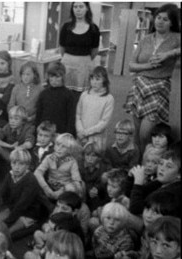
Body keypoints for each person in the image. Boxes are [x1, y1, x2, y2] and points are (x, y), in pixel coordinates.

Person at [125, 3, 180, 153]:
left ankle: (149, 159)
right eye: (158, 17)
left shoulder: (176, 38)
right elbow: (131, 65)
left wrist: (170, 54)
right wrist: (149, 66)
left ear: (172, 23)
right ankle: (139, 162)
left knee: (145, 133)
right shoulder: (146, 39)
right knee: (137, 131)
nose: (160, 21)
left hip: (159, 86)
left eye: (165, 19)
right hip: (140, 84)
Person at [59, 2, 100, 105]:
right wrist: (70, 59)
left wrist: (82, 60)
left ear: (87, 8)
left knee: (81, 96)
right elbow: (62, 48)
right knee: (64, 94)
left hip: (84, 66)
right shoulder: (66, 27)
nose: (78, 9)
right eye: (75, 7)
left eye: (81, 6)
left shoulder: (94, 28)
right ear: (72, 9)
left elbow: (94, 51)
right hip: (67, 65)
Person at [0, 106, 35, 188]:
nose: (12, 121)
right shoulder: (8, 126)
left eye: (16, 119)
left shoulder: (29, 128)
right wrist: (9, 145)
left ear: (23, 120)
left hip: (22, 156)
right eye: (11, 118)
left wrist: (19, 147)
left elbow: (29, 143)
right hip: (10, 154)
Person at [0, 149, 41, 234]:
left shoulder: (31, 180)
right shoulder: (10, 174)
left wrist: (7, 223)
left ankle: (32, 225)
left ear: (27, 166)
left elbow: (22, 205)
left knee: (3, 233)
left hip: (28, 213)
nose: (17, 167)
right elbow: (1, 194)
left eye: (21, 164)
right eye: (14, 163)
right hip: (13, 208)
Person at [129, 148, 181, 217]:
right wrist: (130, 177)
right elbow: (131, 194)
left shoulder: (173, 192)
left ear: (179, 175)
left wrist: (138, 183)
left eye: (169, 166)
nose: (162, 168)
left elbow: (135, 209)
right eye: (161, 163)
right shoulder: (160, 182)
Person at [34, 133, 83, 201]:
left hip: (64, 190)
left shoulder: (72, 162)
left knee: (74, 187)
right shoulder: (49, 157)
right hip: (49, 187)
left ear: (69, 150)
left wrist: (62, 191)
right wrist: (46, 189)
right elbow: (38, 172)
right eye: (57, 145)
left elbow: (77, 181)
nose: (59, 148)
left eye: (63, 146)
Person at [76, 66, 114, 151]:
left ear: (104, 80)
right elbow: (78, 115)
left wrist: (86, 133)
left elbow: (104, 122)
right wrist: (81, 131)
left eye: (97, 79)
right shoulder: (84, 95)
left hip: (96, 138)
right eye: (92, 79)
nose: (94, 82)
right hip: (81, 136)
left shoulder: (108, 98)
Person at [36, 61, 75, 135]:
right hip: (45, 132)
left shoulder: (69, 95)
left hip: (61, 133)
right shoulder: (43, 94)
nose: (54, 80)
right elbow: (39, 115)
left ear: (62, 77)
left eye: (57, 77)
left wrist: (68, 134)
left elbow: (71, 118)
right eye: (51, 77)